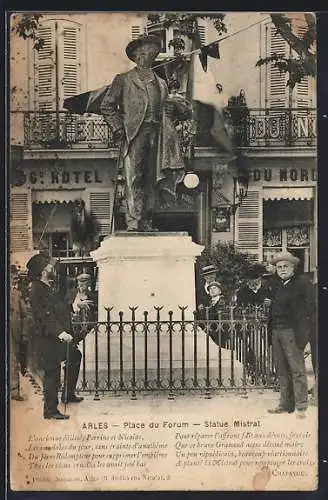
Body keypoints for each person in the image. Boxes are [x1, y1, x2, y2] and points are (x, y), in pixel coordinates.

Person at [100, 34, 192, 232]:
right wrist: (118, 127)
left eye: (151, 51)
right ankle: (134, 222)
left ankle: (147, 221)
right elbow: (107, 106)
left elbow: (171, 112)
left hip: (157, 134)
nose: (147, 54)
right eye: (144, 50)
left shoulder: (161, 83)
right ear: (136, 55)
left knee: (152, 179)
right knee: (134, 178)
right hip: (134, 134)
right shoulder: (123, 80)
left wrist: (171, 111)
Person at [27, 254, 84, 420]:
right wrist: (60, 332)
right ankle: (50, 410)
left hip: (54, 337)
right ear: (43, 270)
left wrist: (73, 306)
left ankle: (68, 394)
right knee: (52, 371)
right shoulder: (36, 288)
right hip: (47, 338)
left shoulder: (45, 286)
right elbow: (45, 316)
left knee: (74, 355)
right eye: (49, 266)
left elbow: (57, 308)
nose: (52, 268)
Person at [267, 251, 312, 418]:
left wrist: (306, 339)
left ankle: (301, 406)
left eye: (286, 266)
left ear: (293, 268)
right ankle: (284, 404)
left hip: (291, 332)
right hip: (276, 332)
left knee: (297, 369)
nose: (282, 269)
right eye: (279, 267)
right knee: (282, 370)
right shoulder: (276, 285)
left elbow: (306, 313)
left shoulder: (301, 284)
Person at [10, 265, 27, 401]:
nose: (15, 280)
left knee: (13, 361)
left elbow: (24, 313)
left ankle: (14, 392)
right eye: (13, 277)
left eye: (16, 277)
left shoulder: (17, 293)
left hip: (13, 332)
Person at [66, 273, 98, 343]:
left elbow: (95, 313)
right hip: (73, 325)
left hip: (87, 327)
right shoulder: (71, 293)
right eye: (80, 282)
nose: (82, 284)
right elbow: (66, 307)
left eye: (85, 282)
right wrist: (76, 305)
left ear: (89, 283)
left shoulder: (93, 296)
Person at [197, 281, 227, 347]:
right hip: (210, 330)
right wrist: (202, 310)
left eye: (214, 288)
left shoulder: (222, 301)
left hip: (219, 331)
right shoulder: (208, 302)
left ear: (220, 291)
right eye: (210, 289)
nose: (212, 290)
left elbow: (218, 315)